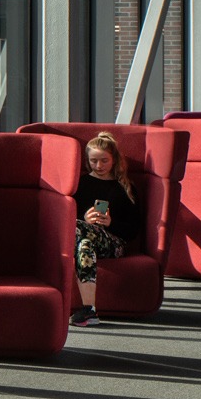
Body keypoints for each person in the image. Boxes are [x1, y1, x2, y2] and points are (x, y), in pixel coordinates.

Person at [72, 132, 142, 327]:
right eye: (93, 161)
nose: (99, 166)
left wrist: (111, 223)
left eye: (104, 161)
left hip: (114, 243)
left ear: (114, 160)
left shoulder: (125, 188)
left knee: (74, 226)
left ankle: (75, 233)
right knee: (85, 245)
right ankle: (89, 310)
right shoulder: (80, 184)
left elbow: (133, 230)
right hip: (84, 238)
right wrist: (85, 219)